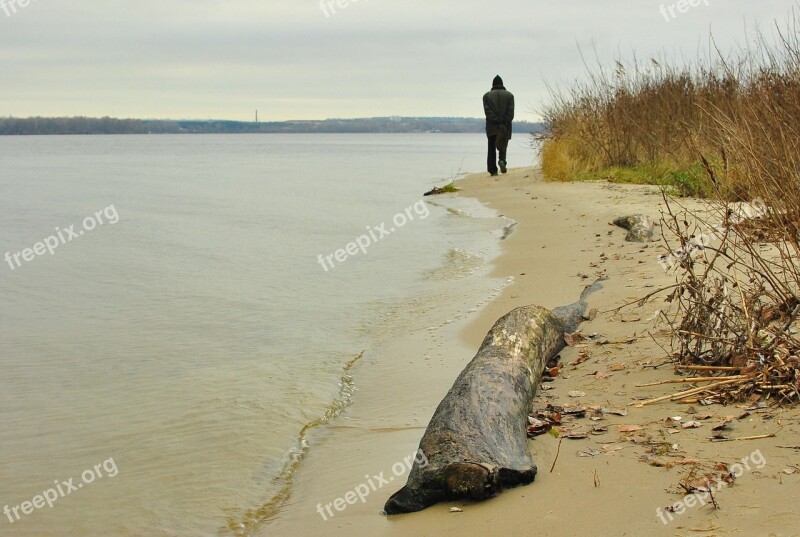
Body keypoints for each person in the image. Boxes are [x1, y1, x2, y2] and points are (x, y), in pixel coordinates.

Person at [483, 75, 515, 176]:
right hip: (505, 126)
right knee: (503, 145)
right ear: (502, 84)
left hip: (492, 127)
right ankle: (502, 160)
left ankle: (493, 170)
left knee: (491, 148)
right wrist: (504, 121)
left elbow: (487, 112)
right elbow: (510, 113)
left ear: (493, 84)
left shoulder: (487, 96)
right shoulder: (510, 96)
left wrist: (497, 120)